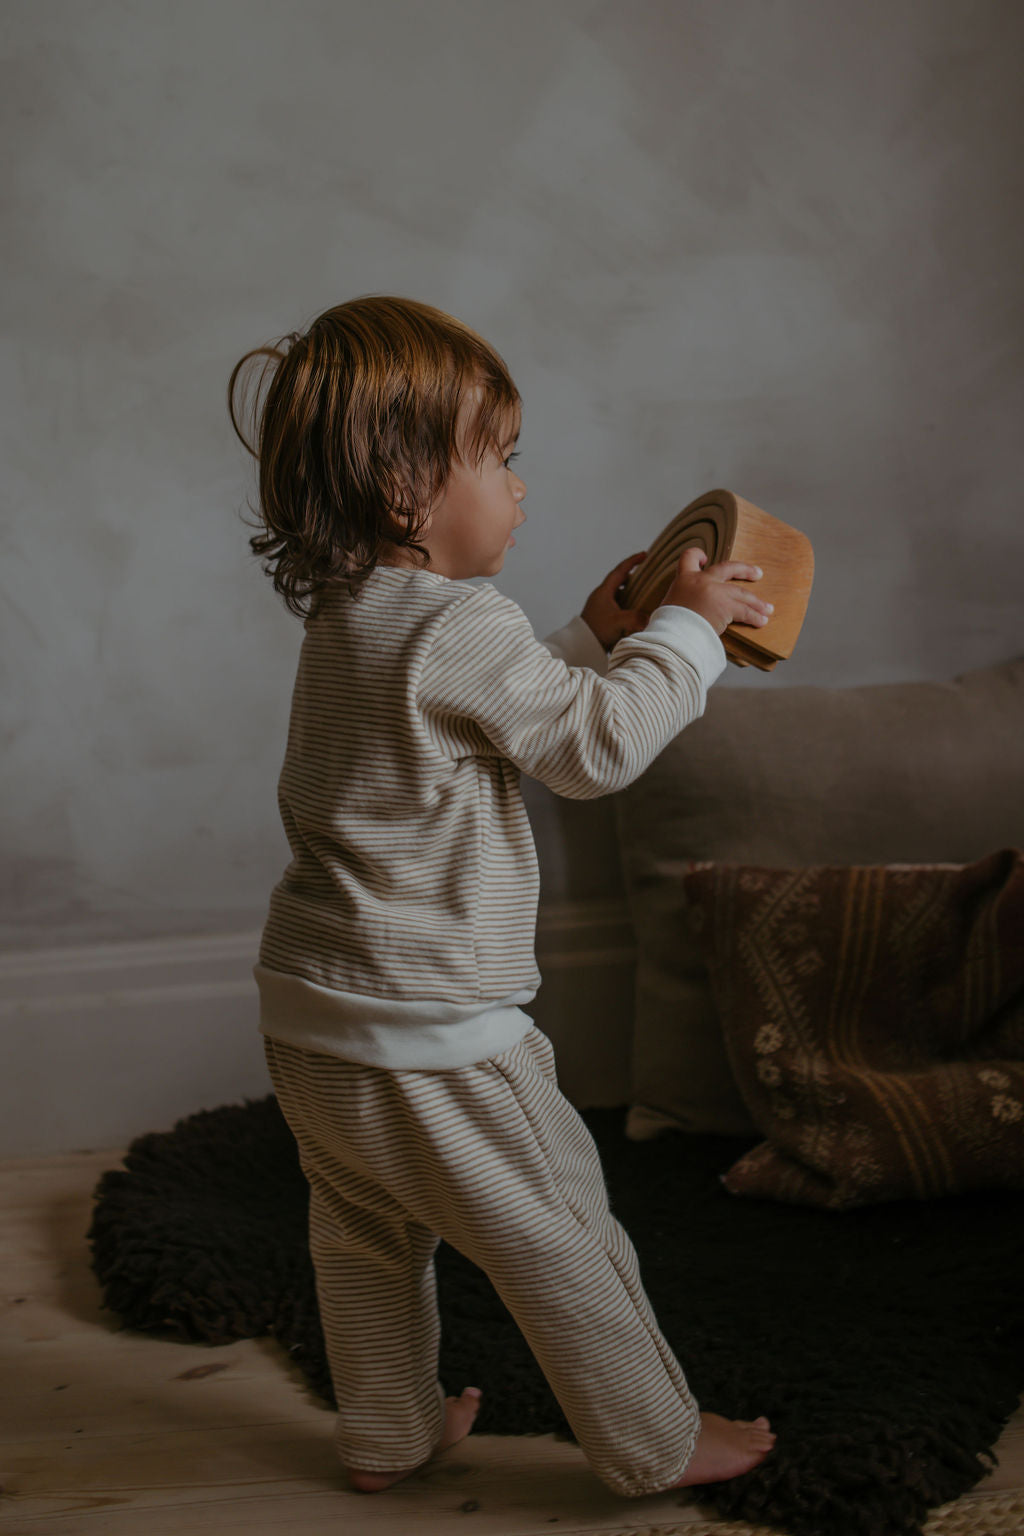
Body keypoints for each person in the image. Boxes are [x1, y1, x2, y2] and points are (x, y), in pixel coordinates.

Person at [229, 295, 776, 1498]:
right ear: (402, 487)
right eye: (504, 460)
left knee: (364, 1237)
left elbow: (487, 726)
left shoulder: (355, 616)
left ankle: (387, 1429)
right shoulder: (462, 621)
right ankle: (654, 1440)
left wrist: (590, 632)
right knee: (559, 1231)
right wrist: (680, 639)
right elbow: (586, 750)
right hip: (437, 1035)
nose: (522, 489)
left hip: (311, 1013)